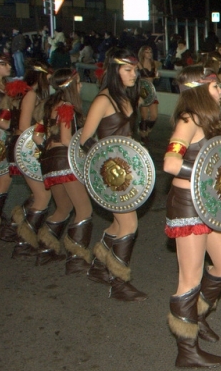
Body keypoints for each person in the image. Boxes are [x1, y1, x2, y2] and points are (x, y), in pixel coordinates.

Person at [163, 66, 221, 368]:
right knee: (189, 277)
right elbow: (170, 163)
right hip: (188, 206)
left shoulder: (207, 120)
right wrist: (207, 177)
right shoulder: (188, 120)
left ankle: (197, 315)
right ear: (200, 90)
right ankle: (186, 350)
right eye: (216, 86)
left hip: (210, 204)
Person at [79, 48, 147, 302]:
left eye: (135, 70)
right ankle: (119, 282)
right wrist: (105, 161)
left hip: (127, 173)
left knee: (118, 224)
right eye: (128, 70)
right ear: (115, 71)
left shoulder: (128, 97)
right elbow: (85, 140)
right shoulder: (103, 100)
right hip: (110, 176)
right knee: (129, 224)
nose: (134, 74)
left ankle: (98, 266)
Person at [36, 69, 94, 270]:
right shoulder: (67, 106)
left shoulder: (49, 105)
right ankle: (77, 258)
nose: (81, 86)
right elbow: (67, 138)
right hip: (64, 160)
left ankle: (45, 250)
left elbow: (37, 137)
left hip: (49, 161)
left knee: (63, 208)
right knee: (84, 209)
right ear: (71, 86)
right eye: (78, 83)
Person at [10, 61, 52, 259]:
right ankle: (23, 242)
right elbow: (24, 128)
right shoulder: (32, 95)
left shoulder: (32, 95)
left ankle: (16, 223)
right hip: (28, 150)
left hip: (31, 150)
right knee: (43, 197)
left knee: (40, 195)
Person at [0, 55, 19, 242]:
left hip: (4, 136)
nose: (9, 66)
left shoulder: (6, 86)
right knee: (4, 178)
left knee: (4, 178)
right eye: (4, 64)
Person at [137, 45, 160, 142]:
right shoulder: (138, 64)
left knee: (154, 116)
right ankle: (143, 135)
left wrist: (157, 76)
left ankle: (145, 129)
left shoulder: (154, 63)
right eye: (147, 52)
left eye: (150, 52)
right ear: (142, 53)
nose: (149, 54)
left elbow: (156, 79)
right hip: (142, 91)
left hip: (152, 90)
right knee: (144, 116)